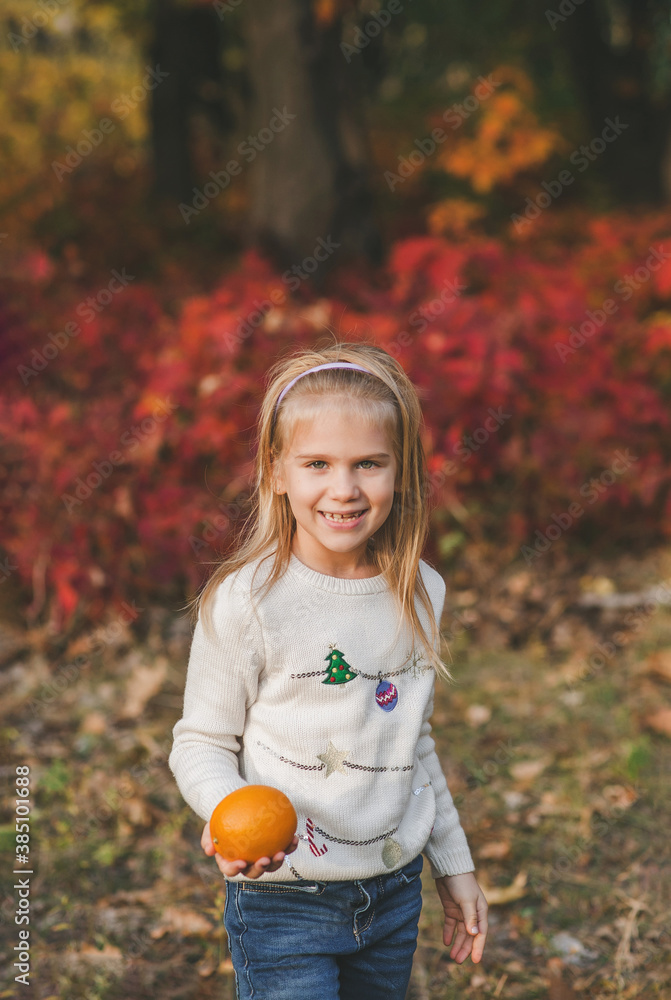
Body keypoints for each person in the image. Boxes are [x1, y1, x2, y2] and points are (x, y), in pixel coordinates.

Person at [169, 341, 488, 1000]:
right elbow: (201, 741)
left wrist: (452, 865)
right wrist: (228, 811)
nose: (343, 489)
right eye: (317, 463)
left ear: (400, 473)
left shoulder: (419, 592)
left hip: (393, 894)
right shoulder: (248, 600)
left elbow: (411, 745)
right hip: (283, 902)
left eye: (368, 464)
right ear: (277, 471)